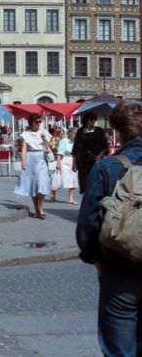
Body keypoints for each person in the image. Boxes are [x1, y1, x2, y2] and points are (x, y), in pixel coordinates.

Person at [76, 101, 142, 357]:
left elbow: (88, 224)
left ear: (118, 133)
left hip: (119, 268)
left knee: (119, 347)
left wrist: (95, 258)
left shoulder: (107, 167)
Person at [15, 114, 52, 219]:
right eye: (36, 122)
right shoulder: (25, 134)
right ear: (31, 123)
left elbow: (50, 146)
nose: (38, 124)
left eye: (40, 122)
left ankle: (41, 208)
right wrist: (23, 162)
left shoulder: (43, 132)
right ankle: (36, 209)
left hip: (41, 158)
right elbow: (24, 148)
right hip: (30, 158)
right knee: (33, 185)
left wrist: (44, 139)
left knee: (41, 183)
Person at [73, 111, 109, 194]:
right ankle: (87, 203)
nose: (93, 122)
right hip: (82, 163)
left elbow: (105, 146)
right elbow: (76, 147)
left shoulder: (99, 131)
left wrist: (99, 156)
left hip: (96, 162)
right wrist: (74, 163)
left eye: (94, 120)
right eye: (91, 120)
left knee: (95, 184)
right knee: (84, 186)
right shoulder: (80, 131)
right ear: (86, 120)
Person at [51, 128, 78, 205]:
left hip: (73, 161)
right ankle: (53, 191)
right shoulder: (64, 141)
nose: (76, 135)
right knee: (60, 179)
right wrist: (58, 164)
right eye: (75, 134)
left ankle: (70, 198)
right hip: (65, 161)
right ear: (70, 133)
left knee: (73, 179)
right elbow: (59, 153)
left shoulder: (76, 142)